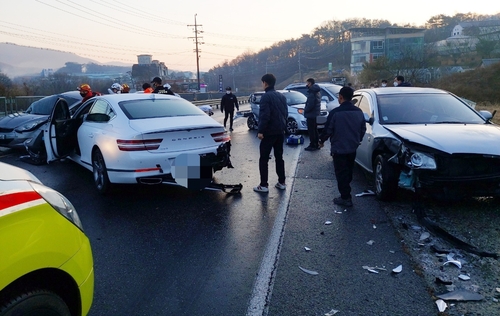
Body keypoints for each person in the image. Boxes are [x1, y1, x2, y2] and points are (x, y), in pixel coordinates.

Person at [319, 87, 366, 207]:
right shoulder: (359, 112)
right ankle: (346, 193)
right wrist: (357, 140)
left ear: (340, 97)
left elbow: (328, 129)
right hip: (352, 148)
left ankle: (345, 197)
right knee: (349, 171)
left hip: (339, 148)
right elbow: (362, 129)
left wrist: (321, 140)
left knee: (341, 173)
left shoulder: (335, 113)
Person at [254, 73, 288, 193]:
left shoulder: (266, 97)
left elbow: (264, 116)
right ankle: (282, 182)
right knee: (279, 157)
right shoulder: (281, 96)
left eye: (262, 83)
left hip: (269, 132)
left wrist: (261, 131)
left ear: (265, 83)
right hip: (280, 131)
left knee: (264, 158)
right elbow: (285, 114)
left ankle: (263, 185)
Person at [304, 78, 321, 151]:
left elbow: (310, 105)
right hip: (315, 114)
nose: (306, 85)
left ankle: (313, 145)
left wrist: (305, 110)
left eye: (307, 83)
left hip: (311, 114)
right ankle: (316, 144)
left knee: (311, 131)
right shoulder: (317, 92)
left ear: (310, 83)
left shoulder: (312, 93)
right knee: (315, 130)